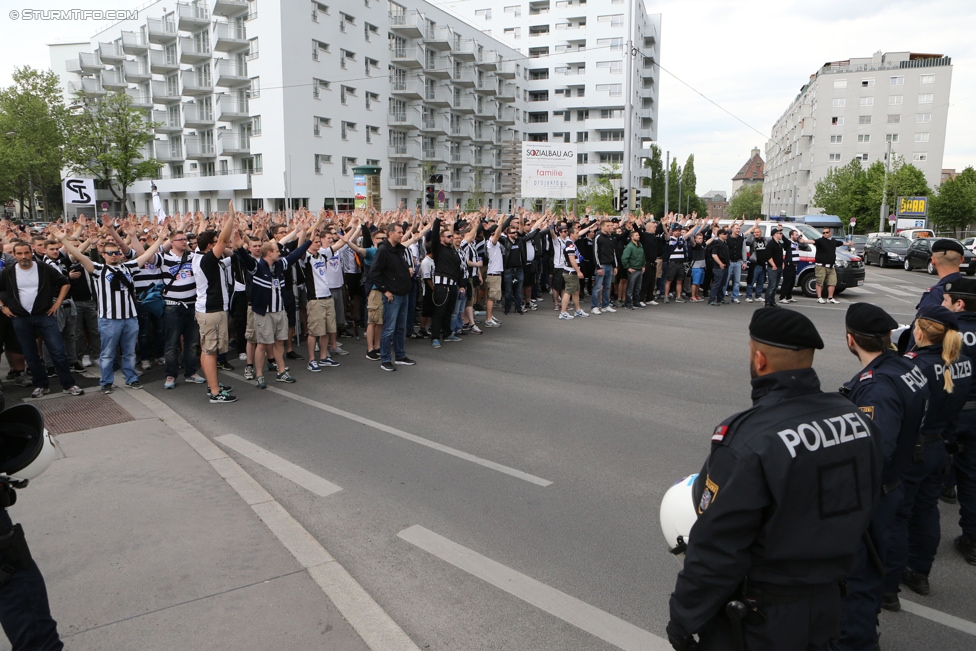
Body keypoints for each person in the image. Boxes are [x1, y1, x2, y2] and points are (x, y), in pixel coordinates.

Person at [667, 307, 882, 651]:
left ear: (760, 359)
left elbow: (718, 548)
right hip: (832, 601)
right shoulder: (858, 420)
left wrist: (683, 619)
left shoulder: (748, 439)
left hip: (765, 618)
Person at [833, 303, 928, 650]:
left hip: (874, 494)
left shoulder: (876, 387)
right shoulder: (905, 366)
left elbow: (874, 451)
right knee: (872, 570)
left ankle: (857, 641)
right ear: (888, 336)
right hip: (894, 484)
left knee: (856, 580)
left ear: (850, 339)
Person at [884, 305, 972, 608]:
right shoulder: (962, 363)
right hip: (939, 445)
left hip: (913, 449)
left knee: (898, 515)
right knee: (926, 510)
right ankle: (919, 572)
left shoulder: (914, 365)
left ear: (919, 331)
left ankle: (888, 584)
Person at [52, 225, 167, 394]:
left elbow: (148, 254)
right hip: (109, 319)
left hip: (130, 317)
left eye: (117, 253)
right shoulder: (98, 269)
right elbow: (78, 256)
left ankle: (131, 378)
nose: (114, 256)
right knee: (107, 353)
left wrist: (160, 239)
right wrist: (63, 240)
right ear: (103, 255)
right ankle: (106, 381)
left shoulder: (129, 267)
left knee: (129, 353)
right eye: (110, 253)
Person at [0, 241, 85, 398]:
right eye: (19, 253)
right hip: (20, 318)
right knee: (30, 354)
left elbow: (65, 283)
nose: (23, 256)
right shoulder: (8, 271)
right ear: (14, 255)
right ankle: (41, 385)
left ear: (31, 251)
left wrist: (57, 303)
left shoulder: (43, 268)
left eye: (26, 252)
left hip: (44, 316)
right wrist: (3, 307)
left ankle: (69, 384)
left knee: (58, 351)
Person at [941, 278, 976, 565]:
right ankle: (972, 541)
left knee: (924, 481)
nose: (943, 305)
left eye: (946, 302)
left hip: (951, 413)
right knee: (972, 478)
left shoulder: (949, 333)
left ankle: (915, 562)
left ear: (959, 304)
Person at [192, 211, 238, 404]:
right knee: (211, 352)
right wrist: (231, 218)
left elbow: (207, 239)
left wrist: (203, 223)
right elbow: (224, 240)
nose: (224, 244)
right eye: (216, 242)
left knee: (206, 350)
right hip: (212, 311)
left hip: (207, 310)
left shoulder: (197, 255)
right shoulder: (206, 260)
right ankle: (215, 392)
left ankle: (212, 385)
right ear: (210, 246)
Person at [905, 238, 965, 350]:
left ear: (933, 261)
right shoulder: (969, 289)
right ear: (961, 259)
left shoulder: (936, 293)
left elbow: (922, 331)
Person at [799, 227, 850, 304]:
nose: (825, 234)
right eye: (823, 233)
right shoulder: (820, 241)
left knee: (832, 282)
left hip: (831, 266)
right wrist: (804, 241)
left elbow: (841, 243)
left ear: (830, 233)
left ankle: (830, 298)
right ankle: (819, 297)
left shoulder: (833, 241)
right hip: (821, 266)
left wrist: (849, 243)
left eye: (826, 232)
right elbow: (812, 241)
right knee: (819, 282)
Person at [621, 230, 646, 310]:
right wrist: (628, 267)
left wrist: (643, 265)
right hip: (633, 269)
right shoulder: (629, 247)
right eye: (636, 235)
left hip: (639, 268)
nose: (638, 236)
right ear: (632, 237)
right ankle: (628, 303)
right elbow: (624, 258)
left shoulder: (640, 245)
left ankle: (636, 302)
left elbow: (643, 256)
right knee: (630, 288)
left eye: (638, 235)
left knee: (638, 287)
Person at [744, 223, 767, 303]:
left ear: (761, 233)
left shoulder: (765, 240)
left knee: (761, 281)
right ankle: (748, 296)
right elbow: (748, 241)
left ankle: (758, 296)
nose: (756, 233)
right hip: (755, 264)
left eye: (758, 232)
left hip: (763, 264)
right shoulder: (752, 240)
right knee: (751, 280)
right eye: (755, 232)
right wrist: (751, 232)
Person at [706, 228, 730, 306]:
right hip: (718, 267)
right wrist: (720, 263)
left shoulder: (725, 243)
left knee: (722, 284)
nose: (726, 235)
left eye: (727, 233)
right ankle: (711, 300)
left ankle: (720, 299)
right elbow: (714, 255)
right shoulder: (716, 243)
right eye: (724, 234)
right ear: (720, 235)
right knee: (716, 283)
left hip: (726, 265)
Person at [763, 228, 784, 308]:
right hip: (773, 268)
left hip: (779, 267)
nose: (781, 235)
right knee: (772, 285)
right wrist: (773, 265)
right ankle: (767, 301)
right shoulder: (771, 244)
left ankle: (772, 301)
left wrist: (782, 263)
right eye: (780, 233)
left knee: (775, 286)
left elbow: (780, 256)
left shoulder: (779, 244)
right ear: (775, 234)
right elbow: (768, 256)